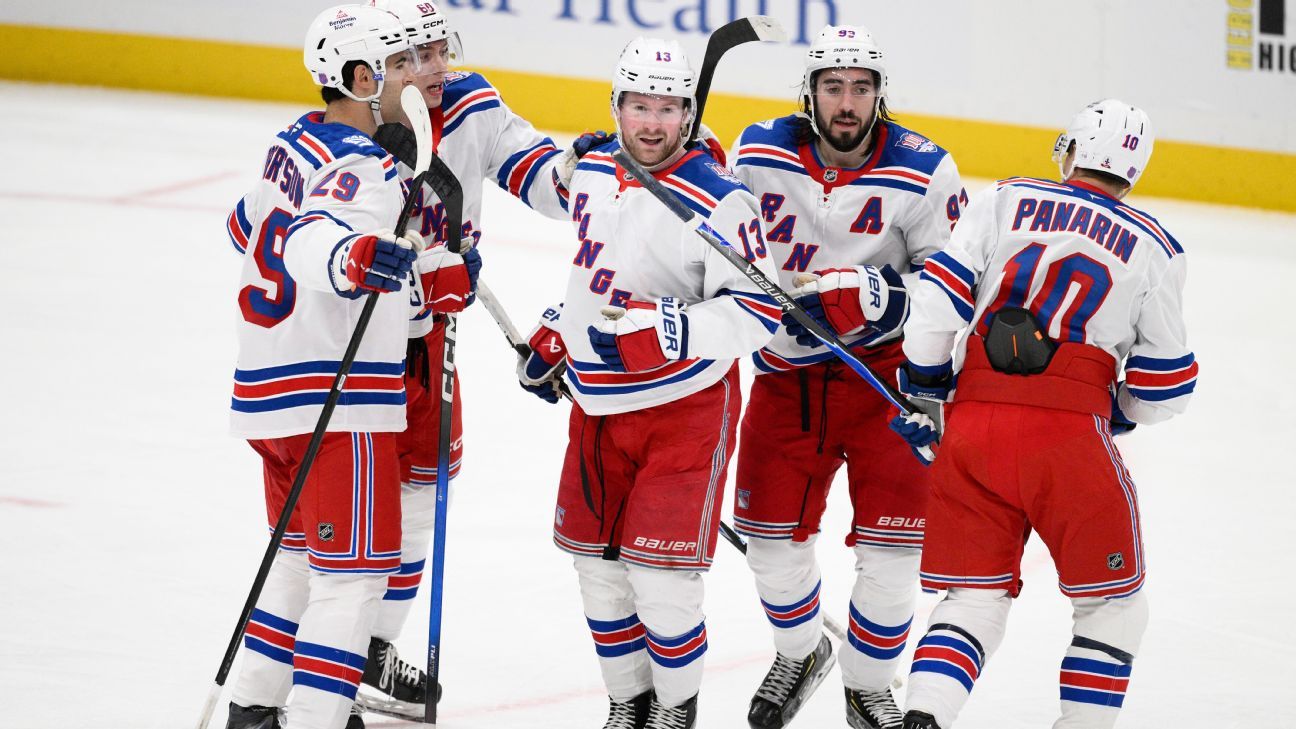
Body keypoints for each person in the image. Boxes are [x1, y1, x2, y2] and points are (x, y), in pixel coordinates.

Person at [889, 99, 1196, 729]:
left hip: (973, 424)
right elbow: (1165, 388)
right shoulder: (1157, 246)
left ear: (1075, 150)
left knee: (972, 600)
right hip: (1071, 438)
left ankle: (924, 715)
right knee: (1114, 607)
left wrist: (927, 389)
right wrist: (1115, 412)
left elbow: (935, 303)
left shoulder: (1004, 198)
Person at [515, 37, 781, 729]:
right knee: (599, 572)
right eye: (639, 105)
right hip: (599, 401)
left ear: (689, 113)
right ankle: (627, 705)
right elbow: (594, 276)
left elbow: (759, 311)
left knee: (662, 581)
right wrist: (560, 332)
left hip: (685, 404)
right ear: (616, 106)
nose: (653, 122)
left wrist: (670, 329)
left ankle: (673, 711)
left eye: (668, 107)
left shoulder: (724, 203)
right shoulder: (596, 171)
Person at [221, 5, 471, 728]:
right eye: (400, 68)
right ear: (363, 80)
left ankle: (253, 709)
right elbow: (314, 239)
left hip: (271, 390)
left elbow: (247, 225)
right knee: (355, 580)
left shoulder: (294, 139)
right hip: (340, 400)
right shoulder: (368, 167)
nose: (421, 78)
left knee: (296, 562)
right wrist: (357, 258)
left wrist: (421, 273)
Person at [726, 24, 966, 729]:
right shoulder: (758, 151)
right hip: (785, 374)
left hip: (884, 379)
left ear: (880, 96)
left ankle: (868, 686)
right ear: (809, 93)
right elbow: (712, 230)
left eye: (862, 88)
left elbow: (954, 282)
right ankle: (800, 652)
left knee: (896, 549)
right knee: (770, 540)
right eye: (834, 87)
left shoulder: (925, 169)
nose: (848, 102)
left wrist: (879, 296)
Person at [347, 0, 572, 714]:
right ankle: (325, 656)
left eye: (438, 50)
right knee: (347, 510)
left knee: (418, 502)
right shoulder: (350, 127)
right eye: (411, 58)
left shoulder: (471, 103)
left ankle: (370, 654)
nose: (433, 69)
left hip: (431, 345)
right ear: (371, 68)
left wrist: (592, 171)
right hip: (353, 348)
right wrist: (422, 276)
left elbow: (539, 173)